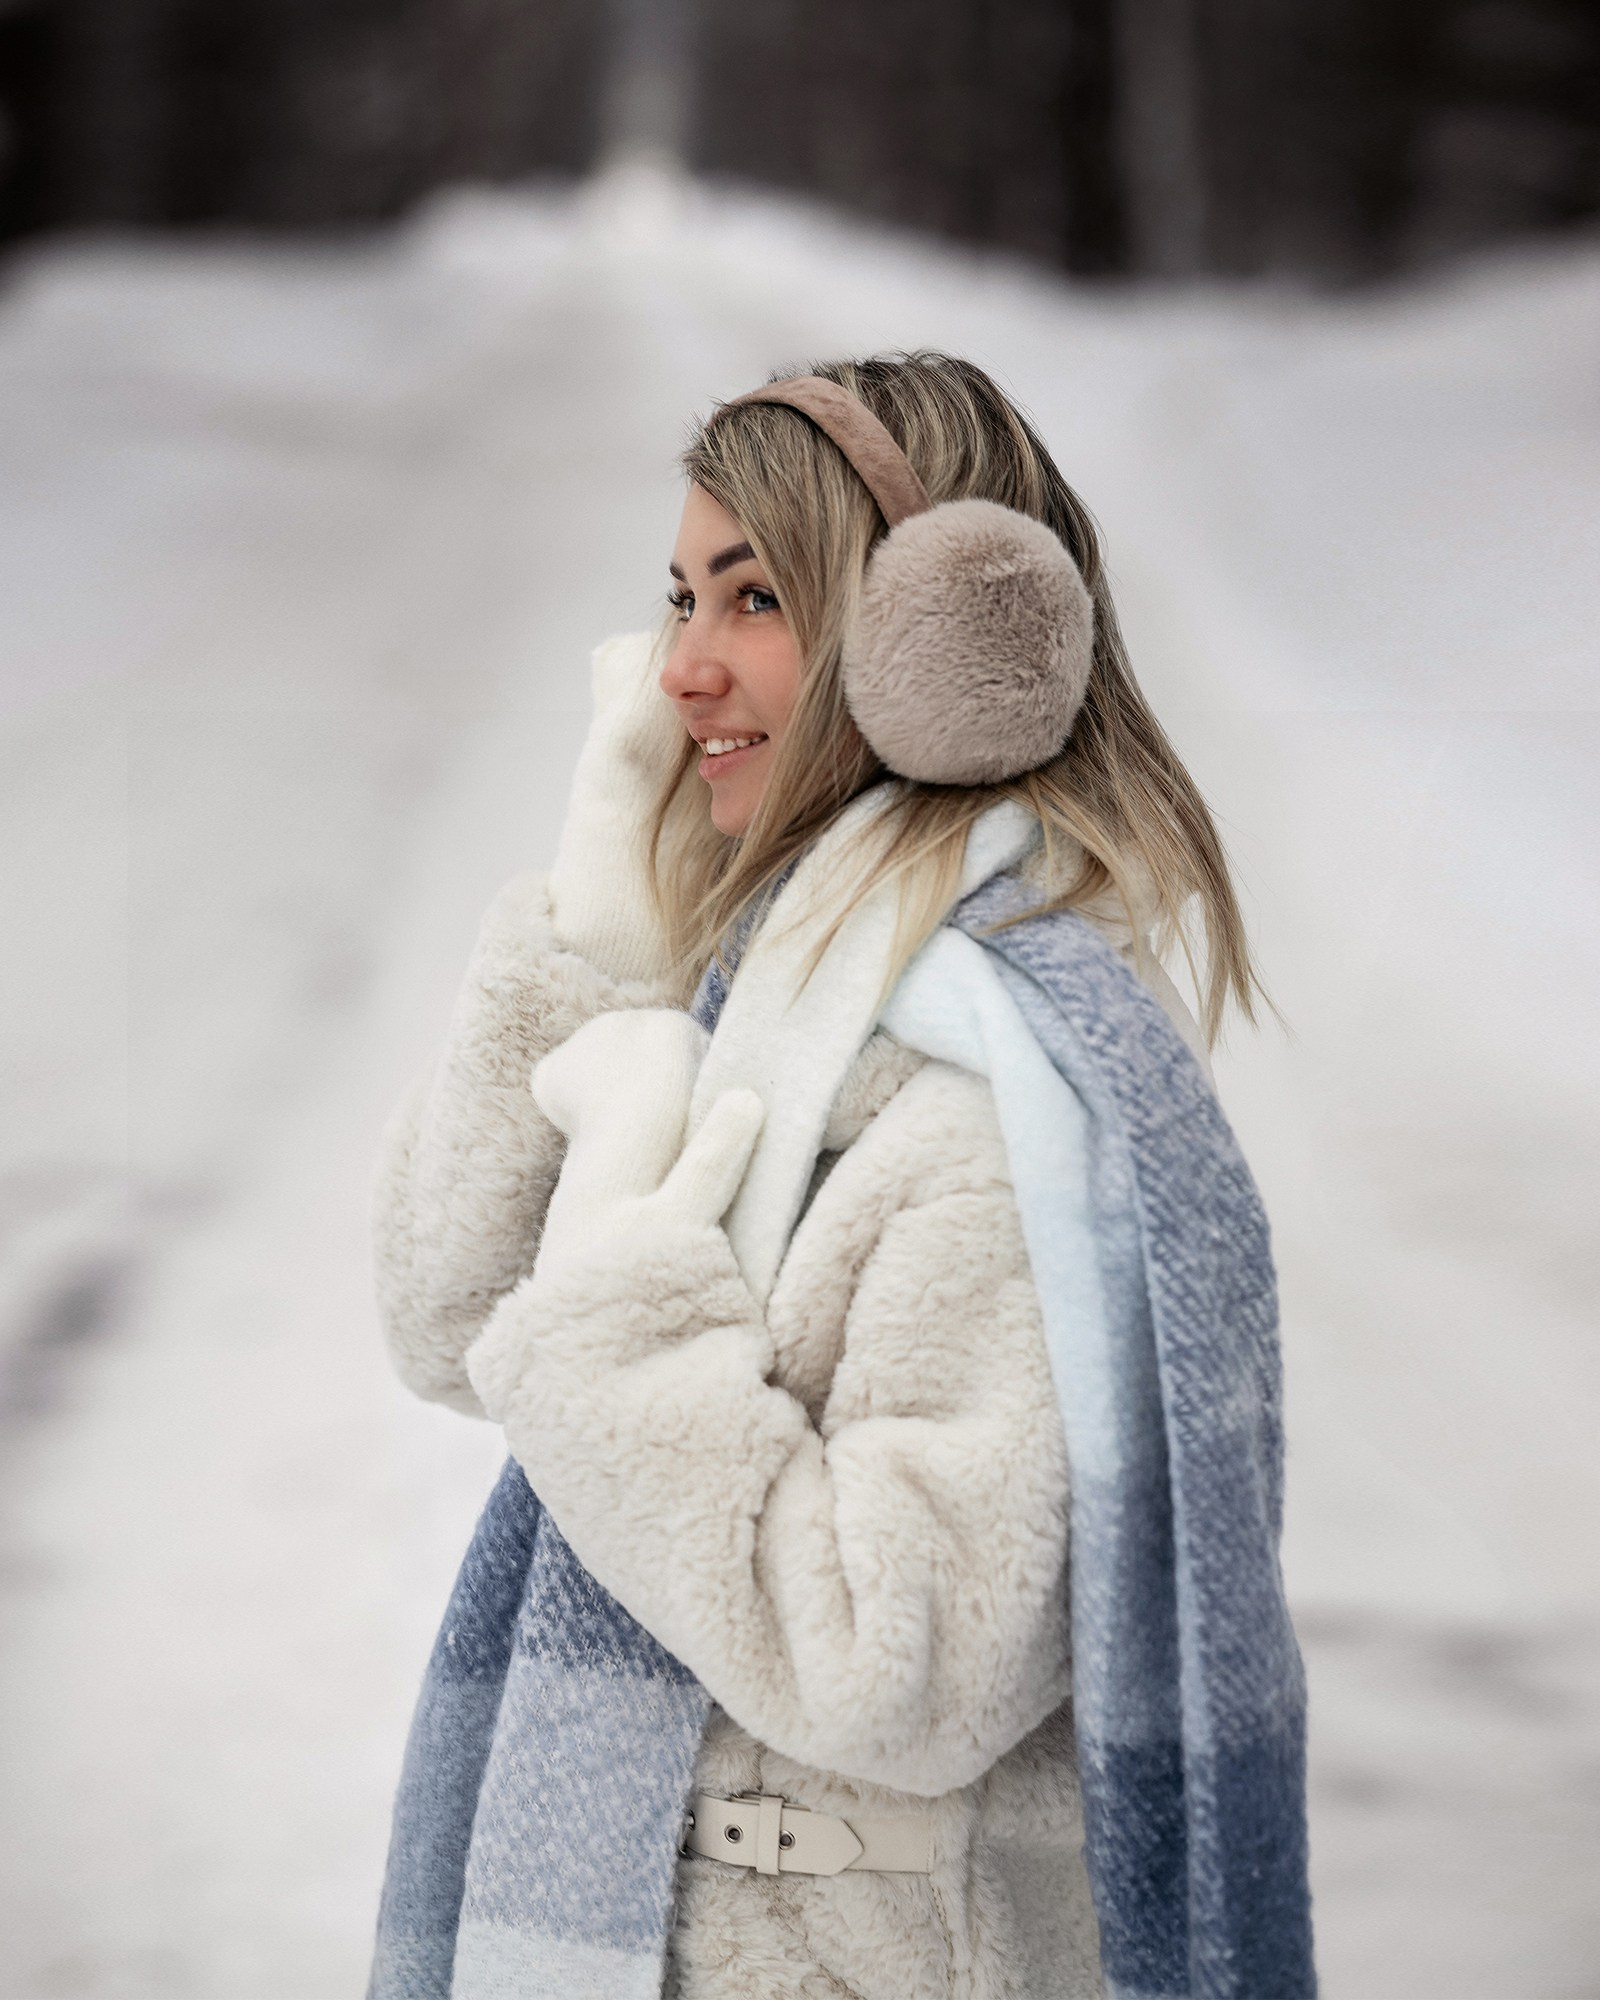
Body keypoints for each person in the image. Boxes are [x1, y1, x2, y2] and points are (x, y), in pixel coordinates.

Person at [367, 353, 1313, 2000]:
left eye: (754, 599)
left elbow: (911, 1660)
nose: (680, 670)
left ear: (929, 648)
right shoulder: (761, 1013)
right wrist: (596, 939)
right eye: (677, 598)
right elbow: (448, 1319)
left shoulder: (997, 1108)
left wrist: (619, 1334)